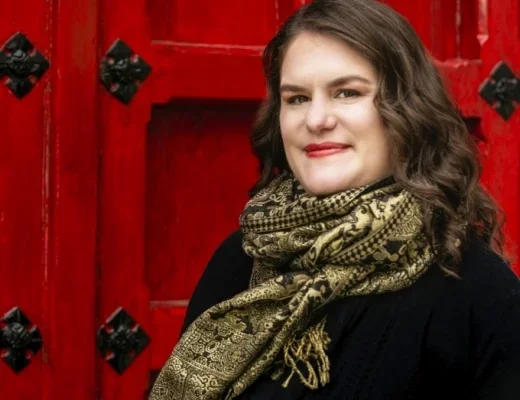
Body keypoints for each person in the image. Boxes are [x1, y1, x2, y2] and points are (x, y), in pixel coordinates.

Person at [149, 0, 520, 399]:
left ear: (407, 110)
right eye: (297, 98)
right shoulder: (240, 260)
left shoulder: (477, 295)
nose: (316, 119)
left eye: (347, 92)